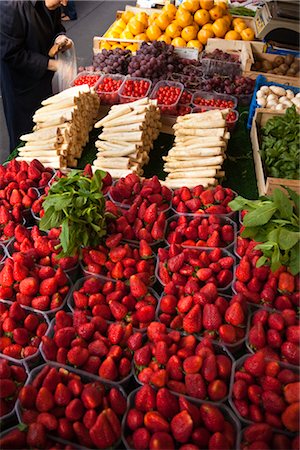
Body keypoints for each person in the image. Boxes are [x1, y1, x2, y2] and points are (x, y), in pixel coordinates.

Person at [0, 0, 72, 151]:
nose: (65, 3)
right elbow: (11, 54)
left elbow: (56, 27)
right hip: (21, 86)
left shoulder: (54, 3)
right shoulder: (11, 6)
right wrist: (53, 65)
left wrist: (59, 37)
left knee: (47, 128)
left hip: (43, 79)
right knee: (25, 137)